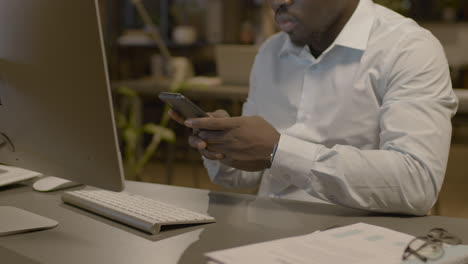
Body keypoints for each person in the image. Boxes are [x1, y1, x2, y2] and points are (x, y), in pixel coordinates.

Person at [169, 0, 458, 215]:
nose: (276, 2)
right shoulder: (271, 52)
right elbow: (246, 176)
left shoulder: (408, 48)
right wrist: (222, 146)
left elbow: (417, 184)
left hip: (359, 245)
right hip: (262, 238)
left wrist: (278, 151)